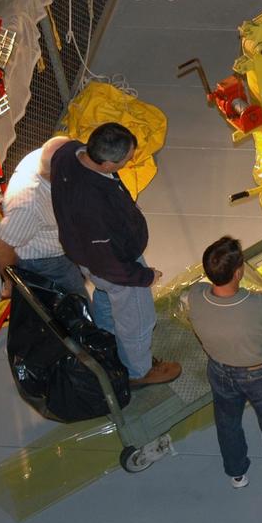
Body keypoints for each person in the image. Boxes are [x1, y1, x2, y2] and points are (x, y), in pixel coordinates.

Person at [51, 122, 180, 386]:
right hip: (114, 265)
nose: (131, 160)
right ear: (108, 164)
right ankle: (138, 371)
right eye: (127, 159)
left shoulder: (68, 153)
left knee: (105, 296)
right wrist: (143, 276)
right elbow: (108, 264)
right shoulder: (92, 206)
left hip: (84, 254)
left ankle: (106, 339)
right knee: (139, 319)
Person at [188, 236, 262, 493]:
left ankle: (237, 473)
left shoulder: (196, 296)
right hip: (260, 375)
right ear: (239, 272)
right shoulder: (259, 305)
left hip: (219, 372)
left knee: (227, 422)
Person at [0, 136, 87, 299]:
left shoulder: (47, 156)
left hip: (63, 241)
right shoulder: (27, 205)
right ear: (60, 176)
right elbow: (2, 249)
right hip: (47, 262)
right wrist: (11, 282)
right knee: (77, 301)